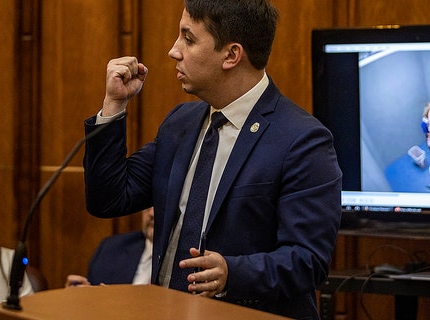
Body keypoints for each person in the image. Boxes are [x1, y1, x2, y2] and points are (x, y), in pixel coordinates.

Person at [81, 1, 342, 319]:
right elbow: (108, 199)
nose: (173, 51)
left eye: (188, 39)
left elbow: (308, 261)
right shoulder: (181, 123)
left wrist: (232, 272)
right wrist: (113, 105)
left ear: (232, 55)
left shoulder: (302, 140)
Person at [65, 207, 154, 287]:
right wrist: (82, 297)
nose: (151, 213)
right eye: (147, 205)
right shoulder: (111, 248)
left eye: (159, 204)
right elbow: (94, 296)